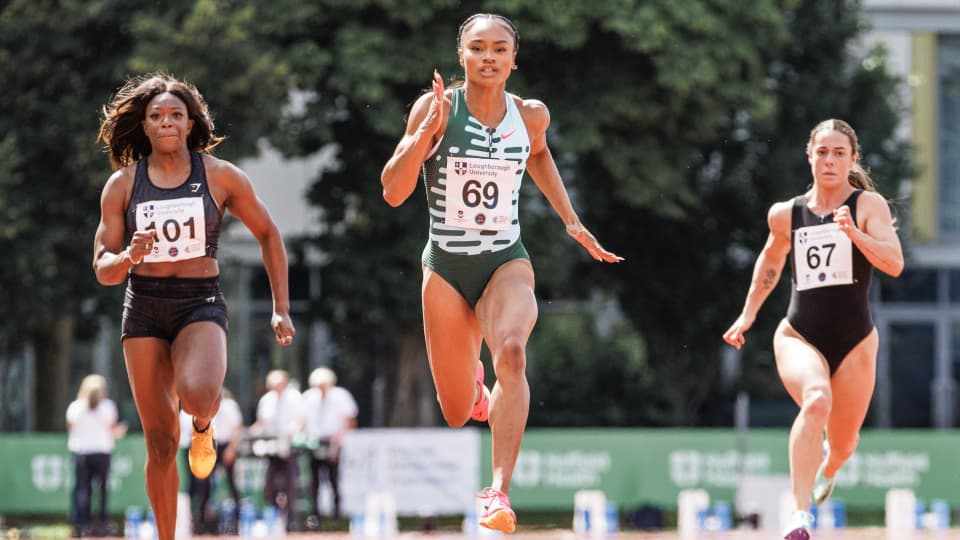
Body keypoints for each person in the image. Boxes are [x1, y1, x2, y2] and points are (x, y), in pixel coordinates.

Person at [380, 13, 621, 534]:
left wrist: (572, 221)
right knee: (455, 411)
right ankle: (474, 388)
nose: (488, 57)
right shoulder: (437, 109)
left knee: (511, 352)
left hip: (504, 260)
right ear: (461, 55)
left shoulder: (530, 115)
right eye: (477, 48)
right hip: (445, 266)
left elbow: (539, 155)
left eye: (498, 49)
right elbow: (393, 192)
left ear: (514, 59)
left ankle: (497, 491)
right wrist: (423, 133)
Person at [92, 72, 296, 540]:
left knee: (199, 394)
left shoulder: (220, 176)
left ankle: (203, 425)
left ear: (190, 123)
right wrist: (128, 256)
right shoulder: (122, 186)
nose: (166, 122)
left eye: (175, 115)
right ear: (144, 126)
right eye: (156, 116)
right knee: (161, 443)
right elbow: (103, 268)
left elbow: (268, 234)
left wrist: (281, 306)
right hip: (143, 306)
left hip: (198, 301)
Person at [722, 119, 903, 540]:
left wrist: (853, 234)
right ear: (809, 156)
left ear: (852, 159)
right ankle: (799, 514)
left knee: (844, 444)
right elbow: (771, 260)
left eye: (839, 153)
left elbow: (894, 263)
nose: (829, 161)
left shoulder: (868, 206)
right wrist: (748, 314)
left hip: (856, 343)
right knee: (817, 401)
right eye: (822, 152)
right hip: (799, 335)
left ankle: (830, 464)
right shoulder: (786, 214)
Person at [66, 374, 127, 537]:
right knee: (102, 489)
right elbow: (113, 430)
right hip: (102, 452)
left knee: (82, 489)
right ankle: (102, 523)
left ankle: (81, 524)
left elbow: (71, 429)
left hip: (82, 452)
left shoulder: (75, 407)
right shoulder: (108, 407)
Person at [301, 367, 358, 527]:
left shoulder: (341, 396)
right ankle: (315, 517)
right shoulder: (309, 397)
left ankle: (337, 516)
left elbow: (350, 420)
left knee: (334, 480)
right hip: (313, 442)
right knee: (314, 482)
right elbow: (302, 420)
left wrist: (338, 439)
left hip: (334, 441)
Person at [253, 369, 304, 530]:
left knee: (290, 484)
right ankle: (275, 515)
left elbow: (300, 421)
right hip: (271, 447)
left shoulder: (294, 397)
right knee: (269, 484)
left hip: (289, 448)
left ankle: (291, 520)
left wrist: (290, 435)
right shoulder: (266, 400)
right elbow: (261, 423)